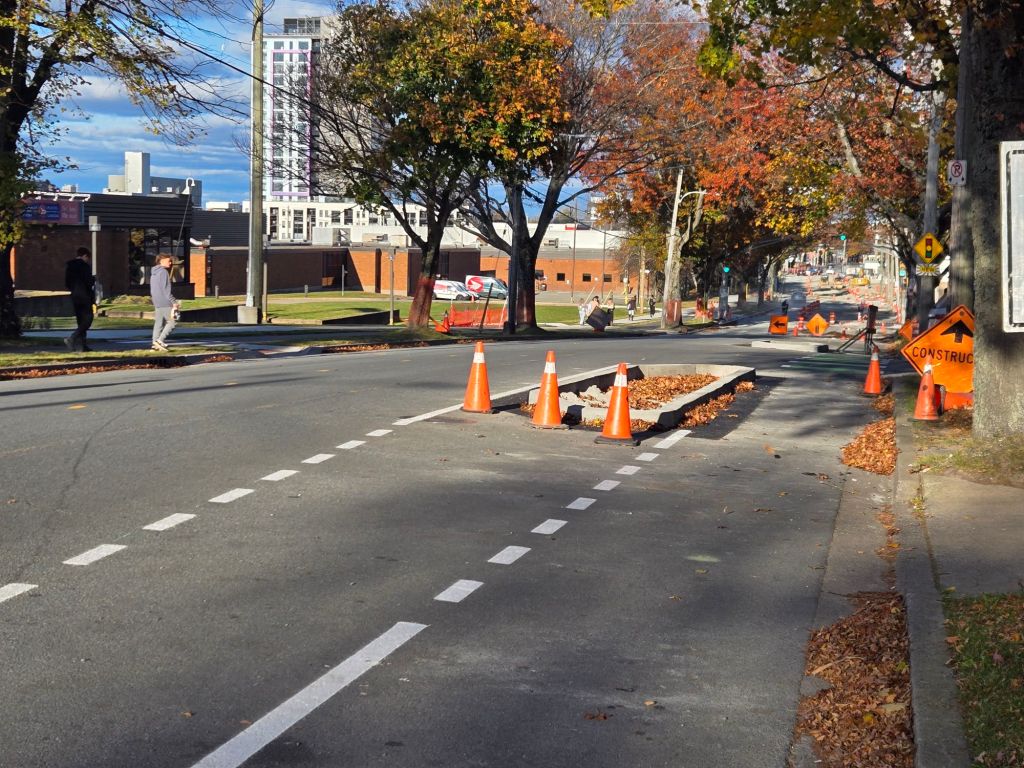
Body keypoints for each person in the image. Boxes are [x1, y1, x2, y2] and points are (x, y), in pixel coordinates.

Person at [64, 247, 95, 352]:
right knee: (88, 319)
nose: (88, 260)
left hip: (75, 296)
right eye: (88, 258)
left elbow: (67, 283)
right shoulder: (84, 266)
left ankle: (82, 345)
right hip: (84, 296)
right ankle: (72, 338)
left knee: (80, 320)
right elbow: (89, 282)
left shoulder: (70, 266)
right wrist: (93, 279)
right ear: (85, 256)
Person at [150, 253, 179, 351]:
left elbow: (153, 289)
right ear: (161, 261)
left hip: (157, 301)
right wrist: (174, 302)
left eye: (171, 261)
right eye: (169, 261)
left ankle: (155, 346)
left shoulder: (154, 272)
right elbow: (166, 290)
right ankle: (159, 341)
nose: (170, 263)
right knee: (173, 321)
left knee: (159, 323)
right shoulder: (163, 272)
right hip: (165, 302)